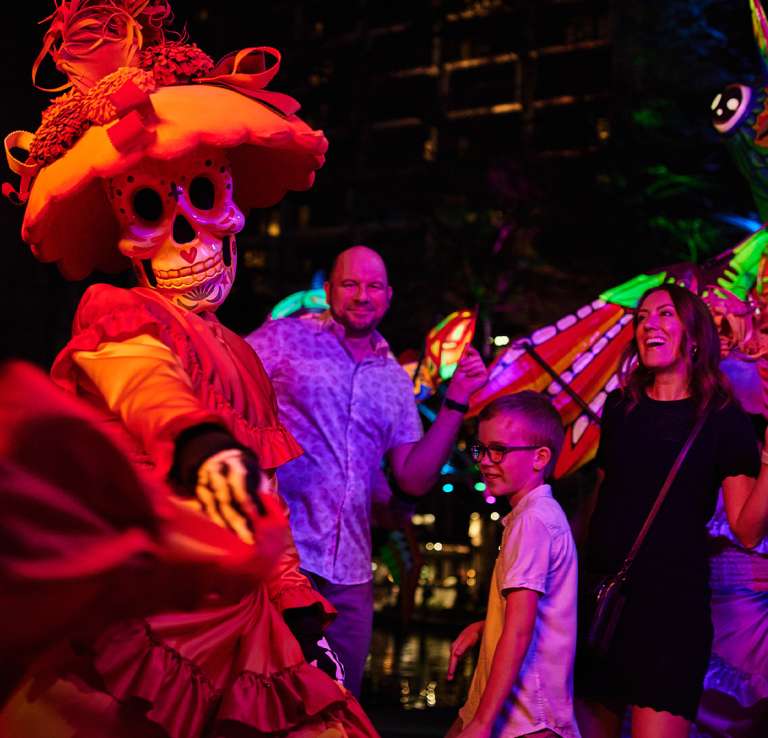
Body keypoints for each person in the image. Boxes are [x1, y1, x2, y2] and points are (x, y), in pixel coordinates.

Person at [0, 4, 377, 737]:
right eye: (150, 208)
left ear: (230, 202)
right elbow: (143, 383)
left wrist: (292, 593)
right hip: (151, 604)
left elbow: (259, 492)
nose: (187, 235)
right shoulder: (118, 311)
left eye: (202, 197)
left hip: (242, 609)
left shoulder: (239, 352)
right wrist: (197, 440)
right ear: (124, 232)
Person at [247, 244, 489, 696]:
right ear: (330, 290)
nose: (362, 295)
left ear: (388, 296)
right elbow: (225, 378)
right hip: (283, 558)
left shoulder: (394, 379)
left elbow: (413, 477)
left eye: (373, 286)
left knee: (339, 707)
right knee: (266, 698)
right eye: (351, 284)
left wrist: (457, 401)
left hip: (351, 575)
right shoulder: (283, 339)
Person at [575, 284, 768, 738]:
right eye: (642, 318)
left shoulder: (723, 419)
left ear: (694, 336)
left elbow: (745, 530)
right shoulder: (621, 409)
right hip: (607, 604)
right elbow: (600, 507)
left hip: (671, 615)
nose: (649, 325)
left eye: (664, 314)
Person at [446, 391, 580, 738]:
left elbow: (520, 631)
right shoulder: (532, 515)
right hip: (518, 716)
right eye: (481, 449)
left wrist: (481, 723)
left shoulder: (532, 522)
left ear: (539, 458)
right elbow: (530, 611)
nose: (485, 461)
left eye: (499, 450)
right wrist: (487, 623)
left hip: (522, 720)